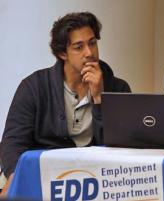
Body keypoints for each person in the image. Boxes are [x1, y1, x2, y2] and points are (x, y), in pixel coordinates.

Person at [0, 12, 130, 194]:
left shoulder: (118, 88)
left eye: (92, 43)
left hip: (96, 179)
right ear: (63, 53)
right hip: (43, 174)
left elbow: (120, 149)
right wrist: (16, 177)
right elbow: (13, 142)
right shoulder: (33, 87)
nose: (90, 53)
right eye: (79, 47)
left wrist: (100, 98)